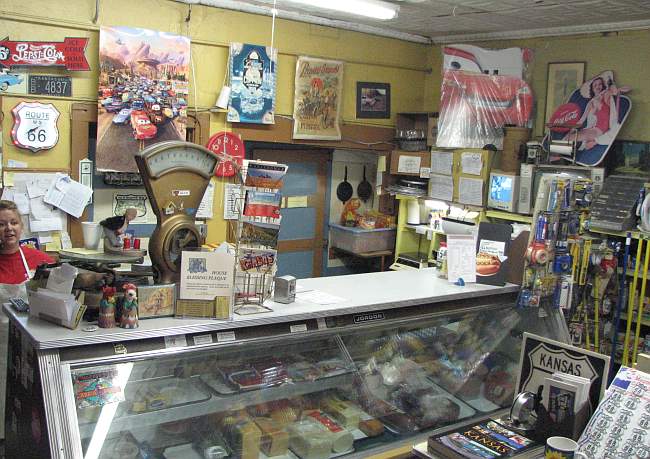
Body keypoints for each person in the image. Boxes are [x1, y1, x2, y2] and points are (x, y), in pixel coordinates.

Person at [0, 200, 54, 284]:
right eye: (1, 224)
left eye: (14, 223)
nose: (9, 228)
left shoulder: (40, 259)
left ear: (21, 226)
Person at [571, 75, 629, 150]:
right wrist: (570, 129)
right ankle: (557, 157)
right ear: (592, 88)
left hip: (600, 130)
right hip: (593, 128)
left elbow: (616, 91)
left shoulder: (606, 95)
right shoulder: (591, 103)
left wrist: (617, 89)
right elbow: (582, 120)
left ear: (603, 86)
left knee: (571, 139)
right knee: (568, 137)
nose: (597, 86)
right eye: (595, 85)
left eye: (600, 84)